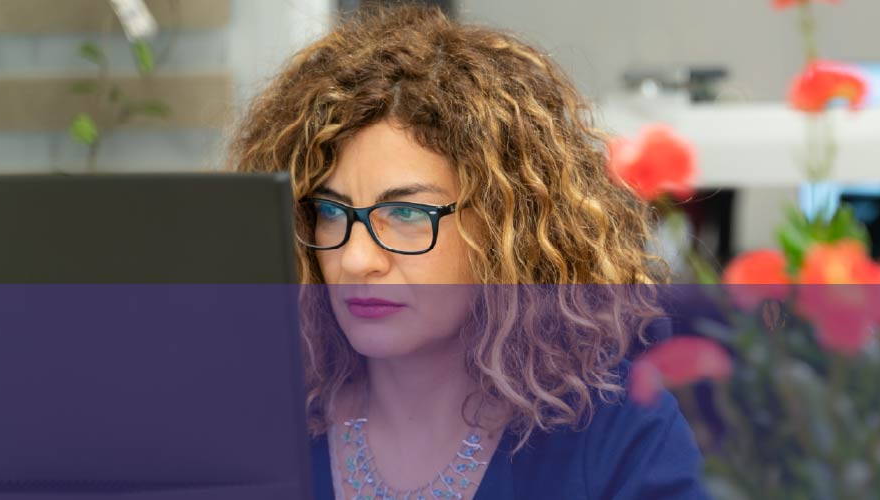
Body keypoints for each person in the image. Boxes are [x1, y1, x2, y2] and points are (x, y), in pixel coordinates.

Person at [227, 6, 707, 500]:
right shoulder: (255, 422)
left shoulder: (617, 431)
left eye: (407, 213)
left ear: (505, 227)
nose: (356, 259)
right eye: (330, 211)